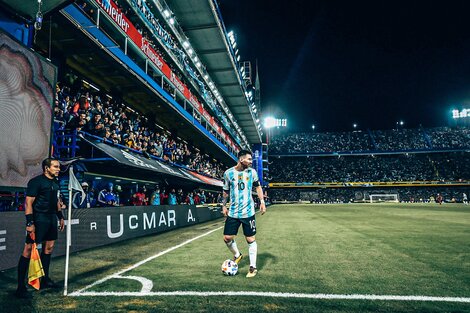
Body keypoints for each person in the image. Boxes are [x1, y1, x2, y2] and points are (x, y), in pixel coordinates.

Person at [15, 158, 65, 298]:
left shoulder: (55, 182)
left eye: (58, 167)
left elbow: (56, 201)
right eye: (55, 167)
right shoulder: (36, 182)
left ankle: (44, 280)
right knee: (28, 249)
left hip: (51, 218)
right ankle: (20, 287)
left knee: (48, 248)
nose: (58, 169)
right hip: (38, 219)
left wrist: (60, 216)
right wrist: (29, 223)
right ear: (46, 168)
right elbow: (28, 203)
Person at [222, 150, 266, 278]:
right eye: (249, 159)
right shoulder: (228, 173)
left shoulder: (252, 172)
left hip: (248, 212)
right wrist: (224, 205)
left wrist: (262, 201)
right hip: (234, 212)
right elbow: (225, 191)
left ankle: (253, 267)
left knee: (250, 239)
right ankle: (237, 255)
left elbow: (258, 187)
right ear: (241, 160)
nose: (251, 162)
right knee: (227, 238)